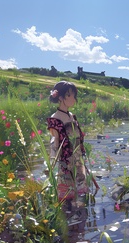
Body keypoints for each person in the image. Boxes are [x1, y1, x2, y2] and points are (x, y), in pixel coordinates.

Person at [47, 81, 89, 224]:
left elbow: (78, 138)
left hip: (77, 157)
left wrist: (82, 155)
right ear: (60, 97)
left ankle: (80, 217)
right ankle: (68, 221)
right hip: (65, 159)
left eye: (74, 95)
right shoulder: (55, 118)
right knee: (66, 189)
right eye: (69, 95)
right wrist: (53, 162)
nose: (73, 99)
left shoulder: (72, 116)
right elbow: (55, 142)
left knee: (79, 185)